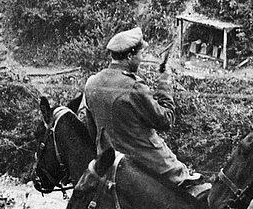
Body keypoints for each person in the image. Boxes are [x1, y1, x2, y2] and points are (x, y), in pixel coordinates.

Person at [78, 27, 202, 189]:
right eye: (140, 55)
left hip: (110, 166)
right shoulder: (133, 86)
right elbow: (166, 120)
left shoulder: (91, 83)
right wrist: (164, 82)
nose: (141, 59)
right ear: (129, 56)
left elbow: (92, 130)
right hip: (148, 166)